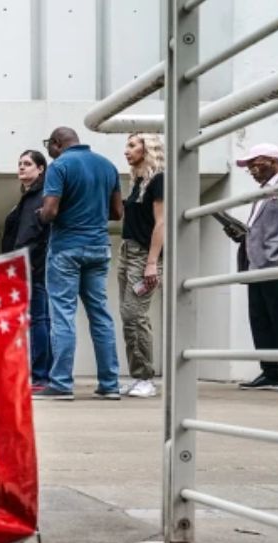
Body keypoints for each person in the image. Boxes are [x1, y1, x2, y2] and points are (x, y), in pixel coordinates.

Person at [34, 126, 123, 401]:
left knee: (63, 315)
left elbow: (50, 211)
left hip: (66, 249)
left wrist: (39, 215)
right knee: (100, 315)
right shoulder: (108, 166)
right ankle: (110, 384)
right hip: (99, 248)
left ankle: (60, 383)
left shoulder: (59, 166)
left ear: (58, 143)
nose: (48, 150)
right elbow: (118, 212)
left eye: (49, 144)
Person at [233, 144, 278, 392]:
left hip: (276, 265)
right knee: (261, 321)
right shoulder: (263, 191)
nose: (252, 170)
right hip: (256, 265)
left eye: (254, 164)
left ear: (271, 160)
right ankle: (271, 372)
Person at [117, 133, 166, 399]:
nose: (127, 150)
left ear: (149, 149)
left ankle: (146, 377)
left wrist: (152, 263)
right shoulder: (139, 182)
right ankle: (137, 376)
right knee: (128, 316)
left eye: (133, 145)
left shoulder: (159, 180)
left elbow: (161, 224)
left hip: (143, 255)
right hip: (127, 252)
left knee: (136, 316)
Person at [0, 150, 51, 390]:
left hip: (32, 268)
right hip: (23, 266)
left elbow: (32, 235)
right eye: (19, 163)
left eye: (27, 164)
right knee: (34, 320)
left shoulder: (41, 196)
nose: (21, 167)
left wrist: (23, 262)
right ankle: (35, 372)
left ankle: (40, 375)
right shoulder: (28, 197)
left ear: (41, 169)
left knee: (38, 320)